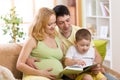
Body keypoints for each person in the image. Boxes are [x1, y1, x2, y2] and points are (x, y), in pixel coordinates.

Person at [26, 5, 102, 80]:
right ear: (55, 22)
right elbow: (33, 43)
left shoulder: (81, 32)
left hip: (88, 69)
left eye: (68, 20)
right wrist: (27, 58)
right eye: (61, 23)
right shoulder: (53, 34)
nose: (66, 25)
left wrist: (97, 66)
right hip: (69, 73)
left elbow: (97, 56)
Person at [16, 7, 64, 80]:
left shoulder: (57, 38)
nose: (53, 26)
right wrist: (40, 73)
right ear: (40, 24)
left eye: (54, 23)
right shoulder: (33, 40)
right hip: (35, 76)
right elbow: (19, 65)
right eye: (49, 24)